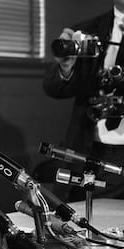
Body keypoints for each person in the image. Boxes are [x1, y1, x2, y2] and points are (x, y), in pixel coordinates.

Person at [43, 0, 124, 200]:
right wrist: (65, 67)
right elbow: (54, 87)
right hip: (96, 149)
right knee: (93, 222)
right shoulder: (85, 30)